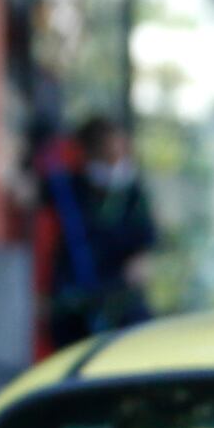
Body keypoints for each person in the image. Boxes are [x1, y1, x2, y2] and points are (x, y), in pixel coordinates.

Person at [35, 114, 160, 350]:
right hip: (72, 310)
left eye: (119, 153)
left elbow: (142, 263)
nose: (116, 161)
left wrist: (118, 284)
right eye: (108, 155)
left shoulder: (133, 196)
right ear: (88, 154)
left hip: (120, 309)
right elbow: (22, 190)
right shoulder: (69, 188)